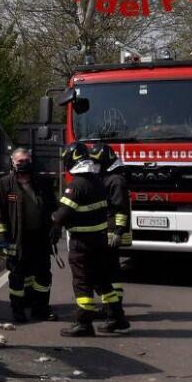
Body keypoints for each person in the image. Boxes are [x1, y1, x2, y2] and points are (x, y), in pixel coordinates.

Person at [52, 143, 122, 337]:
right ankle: (117, 317)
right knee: (102, 280)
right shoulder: (98, 181)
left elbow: (63, 214)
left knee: (82, 282)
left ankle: (84, 323)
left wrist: (51, 220)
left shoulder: (76, 185)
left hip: (81, 243)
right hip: (99, 241)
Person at [0, 147, 57, 323]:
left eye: (26, 161)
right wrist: (1, 235)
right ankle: (18, 310)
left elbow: (54, 207)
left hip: (41, 238)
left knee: (43, 276)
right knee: (17, 276)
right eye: (20, 161)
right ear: (13, 163)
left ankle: (40, 309)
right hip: (17, 239)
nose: (24, 164)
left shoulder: (42, 182)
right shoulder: (6, 183)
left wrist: (55, 228)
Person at [90, 142, 132, 333]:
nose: (95, 165)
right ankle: (111, 309)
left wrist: (117, 232)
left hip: (111, 232)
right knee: (107, 271)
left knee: (109, 272)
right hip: (103, 230)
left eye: (98, 162)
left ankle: (114, 312)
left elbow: (120, 209)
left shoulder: (116, 180)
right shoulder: (107, 177)